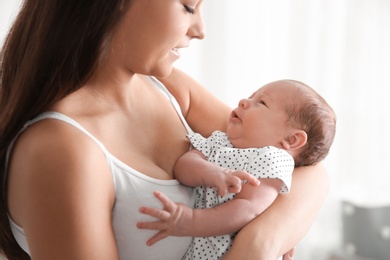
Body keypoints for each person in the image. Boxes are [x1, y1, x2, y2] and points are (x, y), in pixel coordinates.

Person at [0, 0, 329, 259]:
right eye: (188, 6)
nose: (200, 29)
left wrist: (259, 243)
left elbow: (307, 169)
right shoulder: (61, 150)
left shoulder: (169, 89)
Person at [137, 79, 336, 259]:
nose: (243, 101)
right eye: (251, 96)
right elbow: (183, 166)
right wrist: (211, 173)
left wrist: (190, 220)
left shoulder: (273, 160)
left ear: (291, 140)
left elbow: (247, 208)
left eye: (262, 103)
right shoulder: (221, 140)